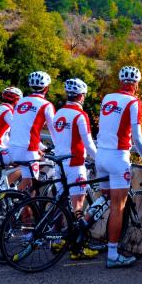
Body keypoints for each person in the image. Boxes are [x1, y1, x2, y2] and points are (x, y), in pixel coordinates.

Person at [95, 66, 142, 268]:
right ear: (136, 84)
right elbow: (137, 136)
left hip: (100, 155)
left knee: (104, 199)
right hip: (117, 157)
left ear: (121, 82)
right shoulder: (133, 102)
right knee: (117, 207)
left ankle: (79, 232)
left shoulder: (107, 98)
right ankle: (113, 255)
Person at [50, 78, 99, 260]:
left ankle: (56, 241)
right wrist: (100, 160)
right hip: (75, 163)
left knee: (61, 202)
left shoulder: (59, 113)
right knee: (78, 205)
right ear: (81, 95)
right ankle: (77, 249)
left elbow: (57, 138)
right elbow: (89, 144)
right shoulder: (81, 115)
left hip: (59, 162)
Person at [8, 71, 57, 192]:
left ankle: (8, 198)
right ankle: (12, 201)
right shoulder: (46, 105)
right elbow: (54, 130)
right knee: (31, 186)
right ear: (46, 88)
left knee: (26, 178)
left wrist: (40, 146)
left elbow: (22, 127)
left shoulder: (21, 101)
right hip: (28, 150)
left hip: (13, 146)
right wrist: (60, 147)